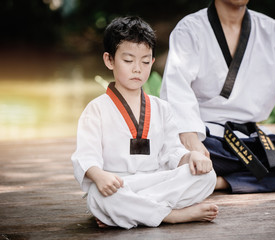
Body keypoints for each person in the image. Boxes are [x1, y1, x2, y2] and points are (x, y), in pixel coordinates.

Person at [160, 0, 275, 193]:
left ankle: (219, 181)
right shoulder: (190, 29)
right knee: (173, 151)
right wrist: (192, 142)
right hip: (209, 141)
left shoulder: (272, 31)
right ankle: (248, 177)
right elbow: (177, 89)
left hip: (254, 140)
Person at [71, 16, 218, 229]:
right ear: (109, 60)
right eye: (128, 61)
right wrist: (99, 176)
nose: (138, 69)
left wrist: (190, 156)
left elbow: (172, 152)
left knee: (207, 177)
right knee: (97, 197)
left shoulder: (162, 108)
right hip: (117, 185)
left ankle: (126, 213)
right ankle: (171, 215)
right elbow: (85, 156)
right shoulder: (96, 109)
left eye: (146, 61)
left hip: (155, 182)